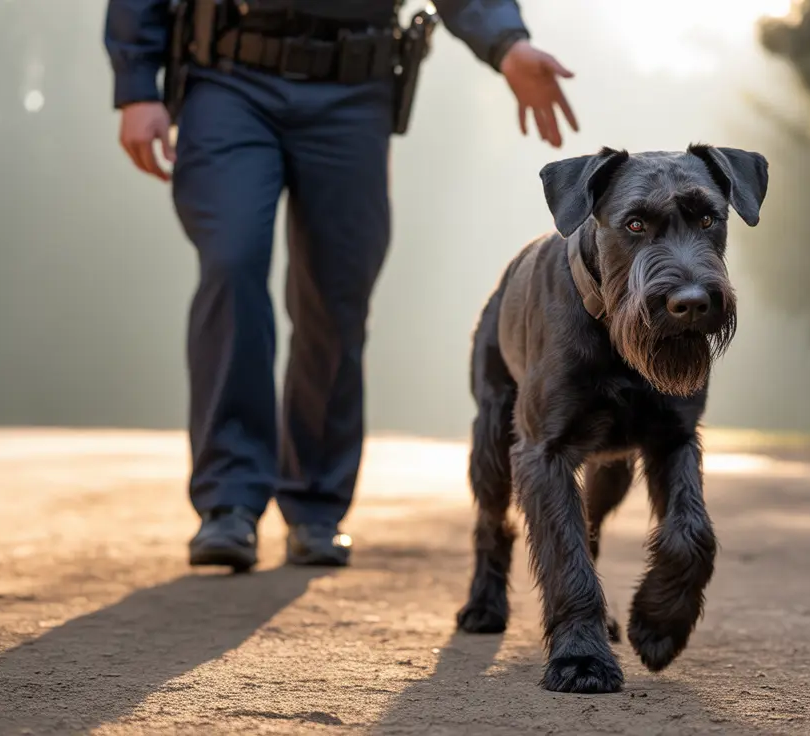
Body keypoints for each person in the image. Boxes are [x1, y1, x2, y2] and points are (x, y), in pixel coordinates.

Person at [104, 0, 578, 571]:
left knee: (337, 298)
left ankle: (315, 507)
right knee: (231, 262)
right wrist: (136, 85)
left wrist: (507, 43)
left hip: (353, 90)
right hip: (228, 80)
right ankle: (228, 502)